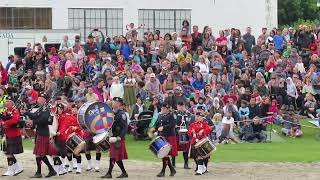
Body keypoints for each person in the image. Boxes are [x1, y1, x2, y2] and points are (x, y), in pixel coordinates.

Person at [25, 92, 57, 178]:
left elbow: (44, 120)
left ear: (44, 100)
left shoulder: (46, 109)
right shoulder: (41, 108)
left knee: (39, 154)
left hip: (43, 133)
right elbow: (35, 115)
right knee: (39, 154)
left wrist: (33, 122)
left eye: (41, 99)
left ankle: (46, 171)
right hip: (40, 133)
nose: (39, 100)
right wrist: (26, 113)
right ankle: (47, 171)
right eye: (39, 98)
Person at [101, 97, 128, 178]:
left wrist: (120, 136)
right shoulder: (111, 113)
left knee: (113, 156)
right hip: (112, 137)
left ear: (119, 104)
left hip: (118, 138)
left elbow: (125, 127)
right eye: (113, 102)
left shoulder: (122, 113)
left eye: (115, 102)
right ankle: (123, 173)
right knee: (116, 157)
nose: (113, 103)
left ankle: (109, 173)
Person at [0, 99, 24, 176]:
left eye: (8, 104)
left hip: (13, 134)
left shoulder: (15, 111)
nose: (6, 105)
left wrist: (5, 123)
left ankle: (11, 170)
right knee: (7, 152)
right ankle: (17, 167)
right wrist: (3, 123)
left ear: (11, 104)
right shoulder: (5, 111)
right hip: (7, 134)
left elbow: (15, 120)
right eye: (5, 104)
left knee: (9, 153)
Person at [154, 102, 177, 177]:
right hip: (162, 137)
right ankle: (171, 170)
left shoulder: (171, 115)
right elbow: (157, 124)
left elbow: (172, 124)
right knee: (164, 154)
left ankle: (163, 171)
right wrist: (155, 130)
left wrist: (164, 127)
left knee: (165, 154)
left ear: (168, 109)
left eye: (164, 108)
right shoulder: (160, 116)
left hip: (169, 136)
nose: (163, 109)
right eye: (162, 108)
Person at [172, 102, 194, 169]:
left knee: (186, 149)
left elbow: (191, 123)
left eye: (182, 106)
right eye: (179, 106)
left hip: (185, 133)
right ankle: (173, 163)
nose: (181, 107)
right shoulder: (174, 114)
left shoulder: (188, 114)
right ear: (177, 106)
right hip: (176, 133)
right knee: (174, 148)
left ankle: (186, 164)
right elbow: (172, 123)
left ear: (184, 106)